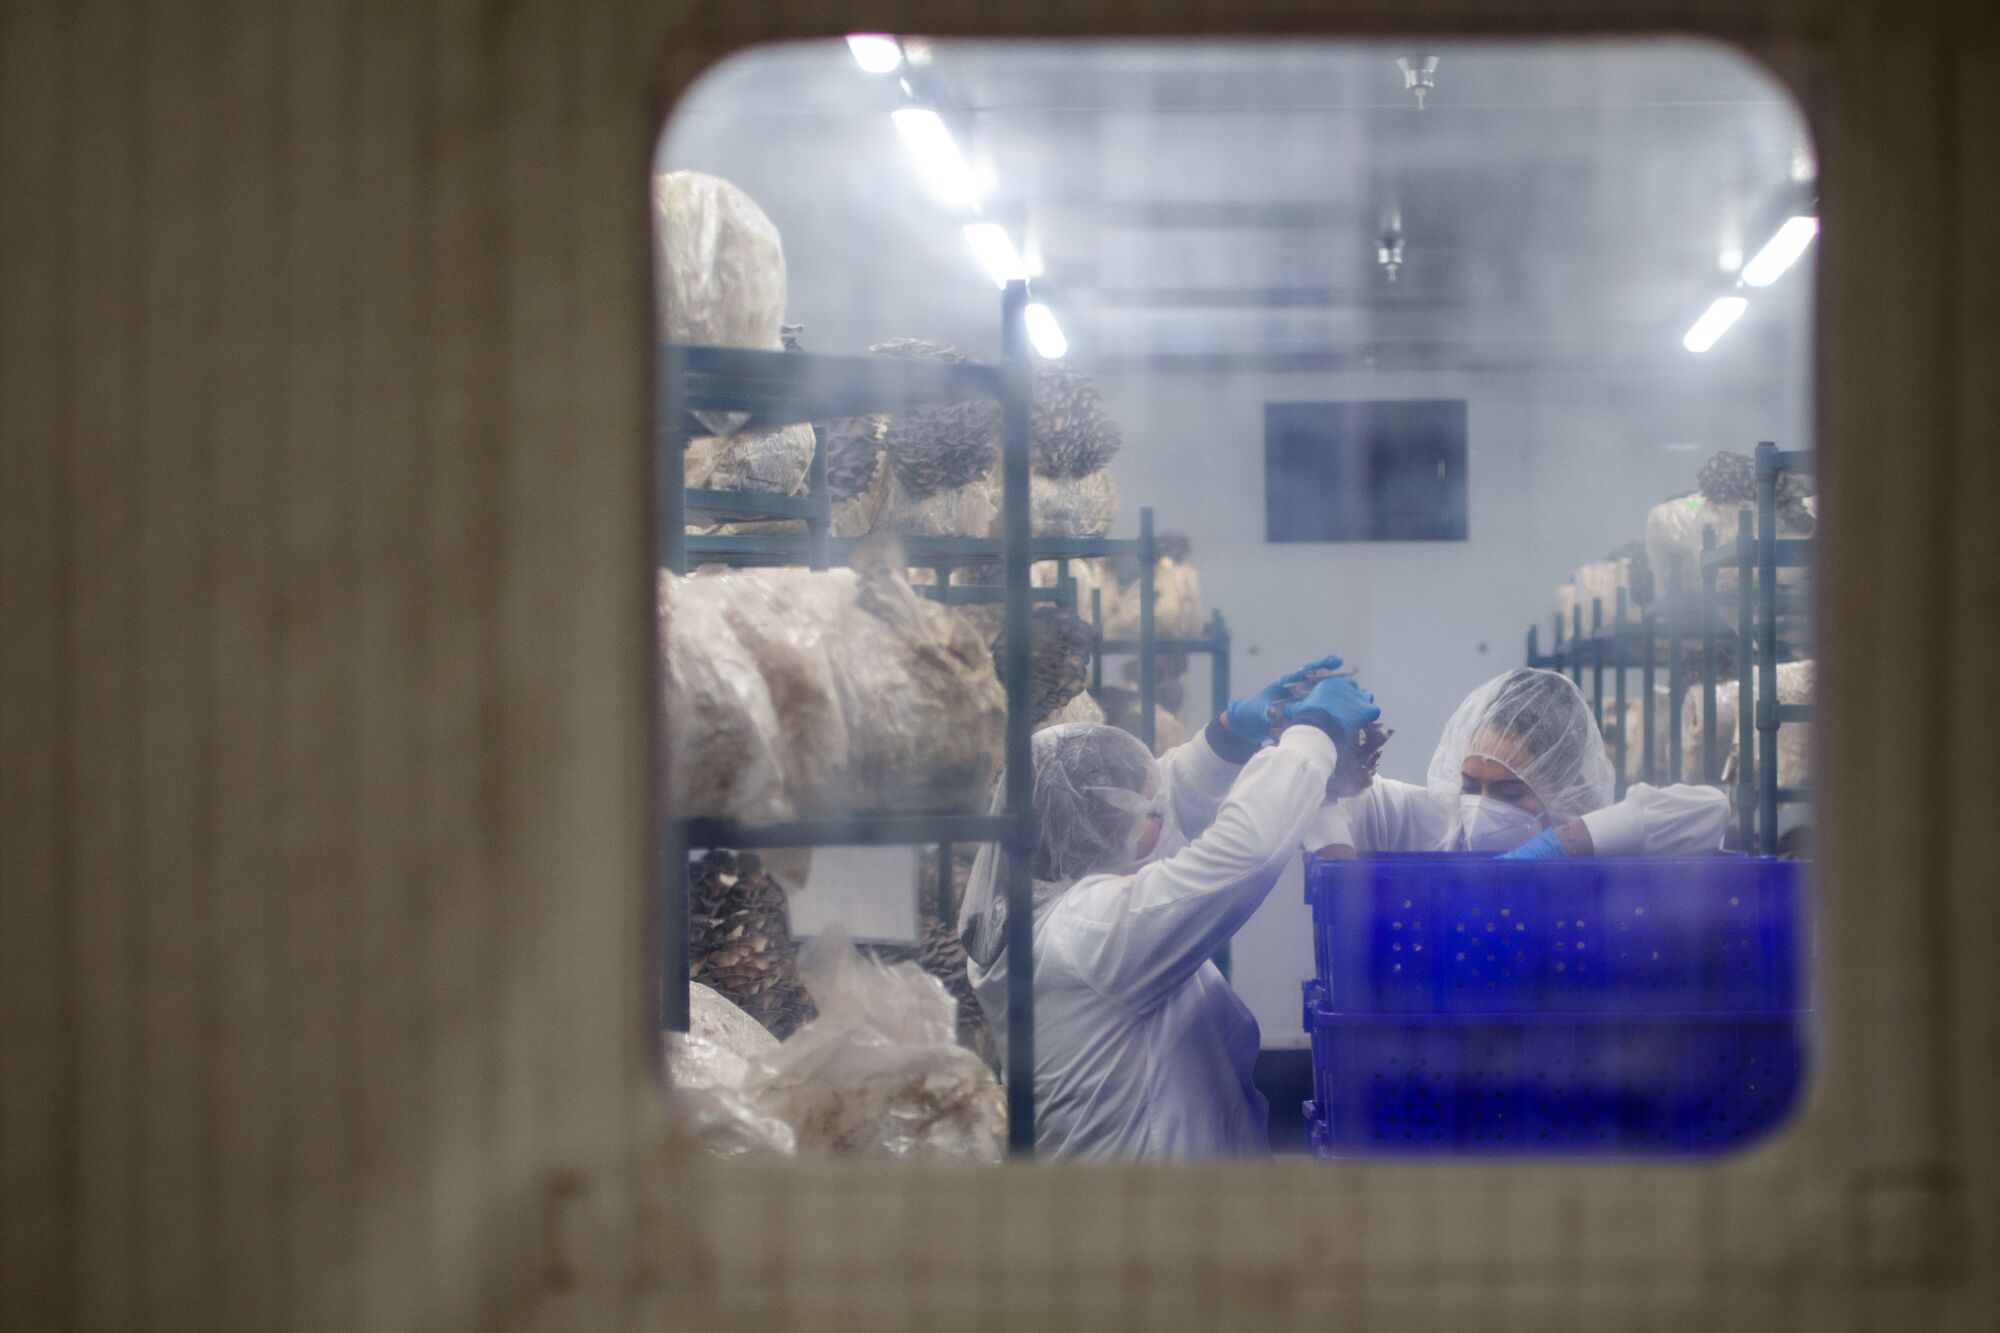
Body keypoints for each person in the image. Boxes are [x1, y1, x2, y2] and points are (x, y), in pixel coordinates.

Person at [958, 658, 1379, 1159]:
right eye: (1148, 811)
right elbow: (1241, 854)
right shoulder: (1090, 932)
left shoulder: (1040, 904)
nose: (1160, 820)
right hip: (1145, 1222)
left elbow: (1161, 797)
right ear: (1107, 825)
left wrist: (1227, 737)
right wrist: (1315, 733)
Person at [1305, 667, 1727, 859]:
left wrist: (1562, 844)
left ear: (1562, 788)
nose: (1480, 804)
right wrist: (1339, 866)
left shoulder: (1593, 845)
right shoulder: (1429, 821)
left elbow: (1709, 810)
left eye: (1509, 792)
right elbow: (1318, 791)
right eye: (1470, 785)